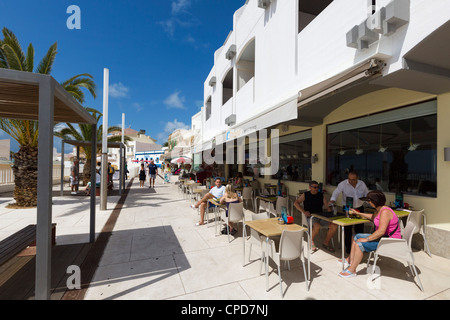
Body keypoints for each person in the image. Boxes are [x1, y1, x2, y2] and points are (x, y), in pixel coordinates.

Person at [338, 190, 402, 278]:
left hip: (390, 241)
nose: (368, 203)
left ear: (374, 201)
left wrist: (367, 239)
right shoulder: (380, 210)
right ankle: (350, 259)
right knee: (355, 236)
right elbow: (373, 217)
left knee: (359, 243)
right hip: (383, 237)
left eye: (369, 201)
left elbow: (381, 231)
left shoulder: (385, 212)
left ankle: (352, 270)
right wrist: (358, 213)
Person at [329, 171, 369, 254]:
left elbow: (367, 194)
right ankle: (349, 248)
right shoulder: (343, 184)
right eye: (349, 179)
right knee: (348, 229)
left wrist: (367, 200)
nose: (351, 181)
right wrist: (332, 200)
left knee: (359, 229)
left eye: (353, 180)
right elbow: (336, 192)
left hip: (359, 208)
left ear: (357, 178)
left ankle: (360, 247)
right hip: (348, 208)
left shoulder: (362, 184)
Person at [294, 181, 338, 252]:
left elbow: (327, 206)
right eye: (314, 187)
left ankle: (326, 242)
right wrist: (304, 211)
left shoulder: (321, 195)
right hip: (311, 217)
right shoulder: (305, 195)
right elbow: (296, 203)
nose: (316, 189)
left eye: (317, 187)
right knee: (317, 226)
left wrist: (331, 212)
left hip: (321, 216)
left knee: (334, 225)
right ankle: (311, 240)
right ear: (310, 187)